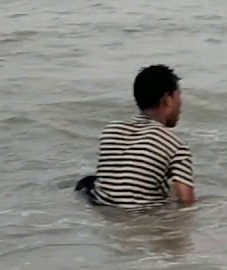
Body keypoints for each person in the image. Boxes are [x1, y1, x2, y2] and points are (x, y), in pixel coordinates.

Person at [76, 64, 195, 208]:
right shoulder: (176, 146)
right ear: (167, 99)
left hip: (105, 210)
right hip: (145, 214)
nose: (180, 104)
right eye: (178, 96)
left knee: (89, 181)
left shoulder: (110, 130)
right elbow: (186, 203)